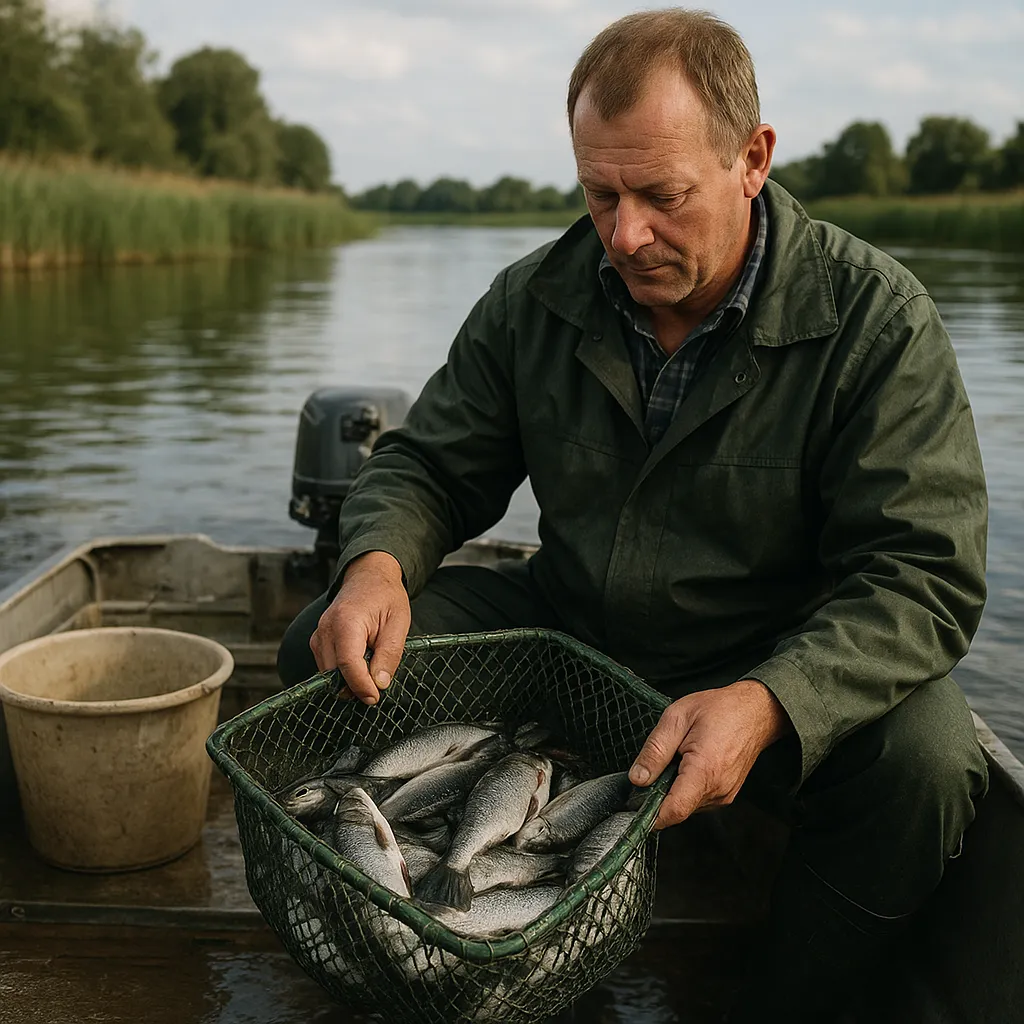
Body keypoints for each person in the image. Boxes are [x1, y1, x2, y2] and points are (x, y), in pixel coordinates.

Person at [277, 9, 989, 1021]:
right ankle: (448, 933)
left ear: (752, 159)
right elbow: (429, 464)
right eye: (599, 193)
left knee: (927, 760)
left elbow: (922, 576)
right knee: (324, 647)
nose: (623, 235)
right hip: (569, 637)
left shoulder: (877, 320)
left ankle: (789, 994)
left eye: (662, 196)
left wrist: (771, 699)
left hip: (769, 664)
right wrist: (377, 564)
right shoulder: (532, 299)